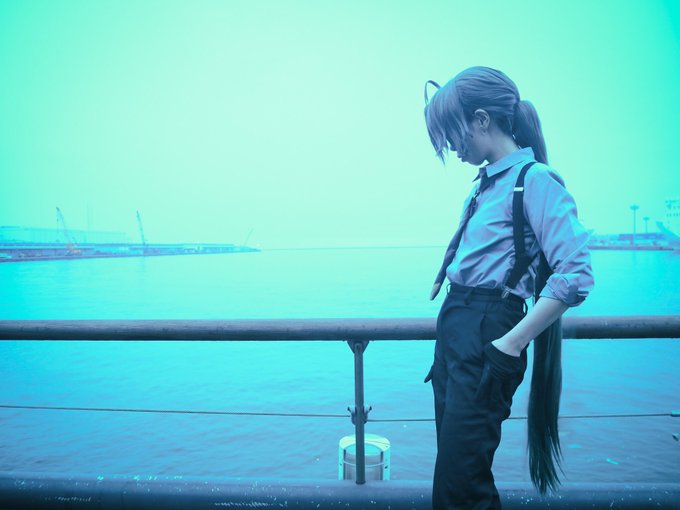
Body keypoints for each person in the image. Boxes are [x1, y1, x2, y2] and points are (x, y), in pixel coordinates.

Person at [422, 66, 594, 509]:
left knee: (463, 487)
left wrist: (511, 343)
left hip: (490, 333)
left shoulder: (534, 180)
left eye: (452, 132)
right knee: (452, 479)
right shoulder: (485, 186)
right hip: (458, 330)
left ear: (482, 120)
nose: (451, 146)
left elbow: (575, 273)